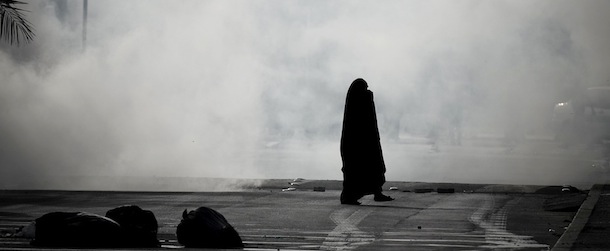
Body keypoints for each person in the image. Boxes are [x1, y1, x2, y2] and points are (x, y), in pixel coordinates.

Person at [340, 78, 394, 205]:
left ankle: (377, 192)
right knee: (355, 171)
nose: (367, 91)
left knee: (374, 167)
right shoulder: (360, 101)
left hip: (367, 142)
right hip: (356, 145)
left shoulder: (358, 100)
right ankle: (349, 197)